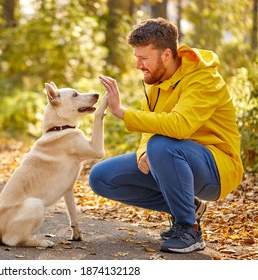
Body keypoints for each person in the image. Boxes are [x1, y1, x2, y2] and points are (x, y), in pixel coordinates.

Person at [89, 17, 244, 253]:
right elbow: (150, 130)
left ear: (166, 55)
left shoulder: (203, 79)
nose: (138, 65)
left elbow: (180, 125)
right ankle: (187, 206)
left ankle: (189, 229)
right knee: (101, 177)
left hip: (217, 168)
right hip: (173, 159)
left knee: (162, 145)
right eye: (136, 58)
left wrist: (122, 113)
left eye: (143, 58)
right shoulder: (155, 84)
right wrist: (144, 153)